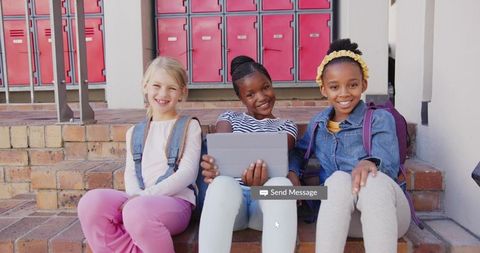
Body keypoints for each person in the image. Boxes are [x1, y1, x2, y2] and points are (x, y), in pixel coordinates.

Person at [289, 39, 411, 253]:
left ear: (364, 84)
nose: (344, 93)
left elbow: (389, 164)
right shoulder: (319, 123)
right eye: (335, 87)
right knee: (336, 180)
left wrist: (368, 162)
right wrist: (293, 172)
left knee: (372, 181)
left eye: (352, 85)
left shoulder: (379, 119)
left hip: (386, 214)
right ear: (323, 89)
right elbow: (299, 152)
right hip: (343, 218)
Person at [77, 56, 202, 253]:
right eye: (156, 85)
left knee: (137, 211)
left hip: (176, 203)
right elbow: (131, 173)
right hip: (138, 201)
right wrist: (136, 196)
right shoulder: (134, 132)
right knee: (91, 203)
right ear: (145, 87)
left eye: (171, 88)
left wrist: (143, 198)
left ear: (182, 92)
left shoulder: (189, 126)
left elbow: (187, 173)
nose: (163, 93)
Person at [199, 55, 298, 253]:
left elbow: (278, 155)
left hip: (263, 207)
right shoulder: (229, 118)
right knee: (221, 184)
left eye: (265, 87)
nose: (261, 97)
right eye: (251, 94)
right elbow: (223, 149)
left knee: (281, 185)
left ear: (272, 84)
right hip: (231, 205)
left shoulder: (287, 126)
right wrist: (212, 165)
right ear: (241, 98)